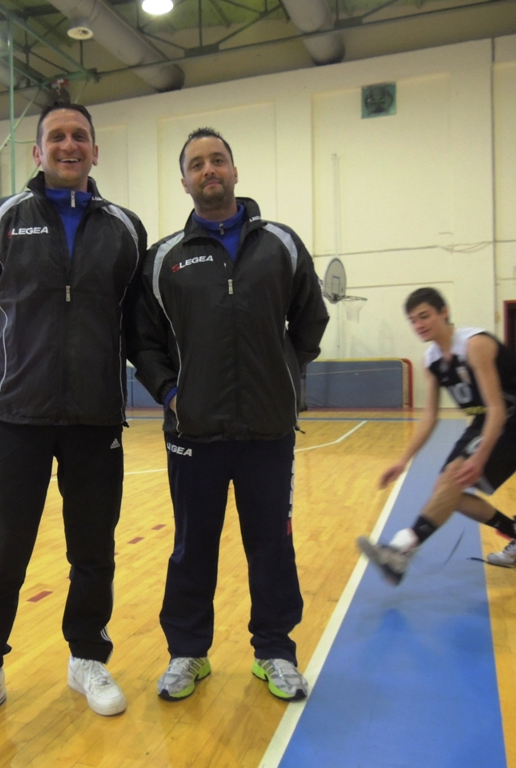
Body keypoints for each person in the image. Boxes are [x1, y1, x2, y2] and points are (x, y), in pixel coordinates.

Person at [0, 100, 146, 741]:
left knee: (94, 550)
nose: (68, 145)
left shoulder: (124, 228)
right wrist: (17, 366)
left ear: (95, 150)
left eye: (79, 136)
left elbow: (135, 320)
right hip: (16, 416)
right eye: (56, 136)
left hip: (95, 417)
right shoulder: (5, 218)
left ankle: (87, 658)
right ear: (37, 152)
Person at [129, 128, 329, 703]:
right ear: (185, 181)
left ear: (235, 171)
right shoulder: (164, 258)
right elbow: (142, 340)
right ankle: (187, 653)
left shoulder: (281, 244)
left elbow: (310, 320)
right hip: (193, 433)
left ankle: (275, 652)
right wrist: (172, 393)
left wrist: (282, 376)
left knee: (272, 546)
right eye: (197, 164)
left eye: (217, 160)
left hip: (269, 432)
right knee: (192, 547)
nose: (208, 170)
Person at [356, 287, 516, 585]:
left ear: (443, 312)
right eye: (413, 320)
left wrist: (480, 457)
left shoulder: (475, 345)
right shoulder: (432, 360)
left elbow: (497, 407)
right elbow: (429, 416)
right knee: (446, 493)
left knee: (451, 481)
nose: (419, 325)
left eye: (424, 316)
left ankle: (400, 550)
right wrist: (403, 461)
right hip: (486, 419)